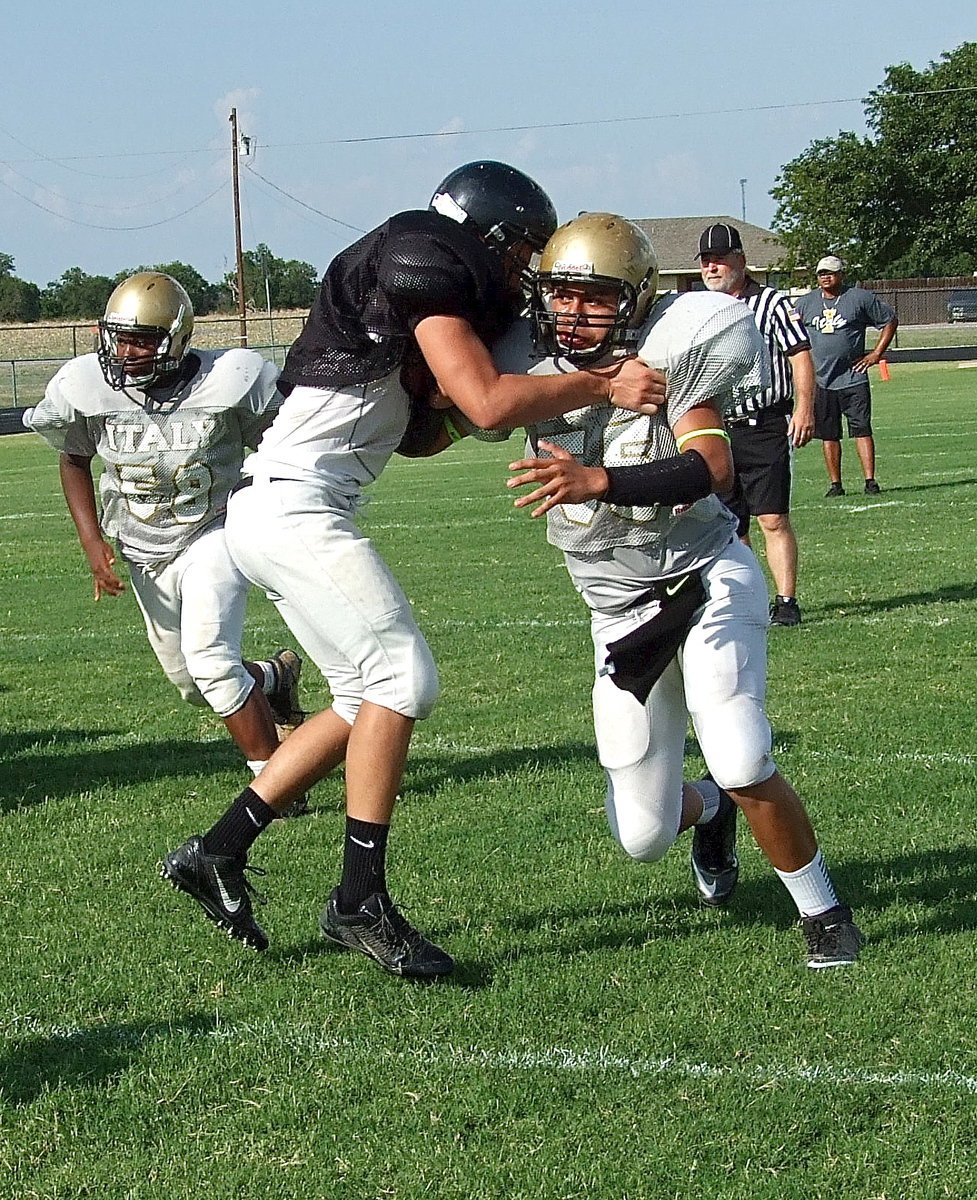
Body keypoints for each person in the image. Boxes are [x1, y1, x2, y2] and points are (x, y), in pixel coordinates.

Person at [160, 162, 664, 978]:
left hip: (271, 508)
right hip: (294, 509)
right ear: (491, 238)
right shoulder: (431, 261)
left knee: (361, 700)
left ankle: (217, 850)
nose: (523, 275)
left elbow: (429, 433)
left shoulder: (414, 285)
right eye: (523, 254)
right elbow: (494, 402)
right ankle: (359, 898)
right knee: (405, 682)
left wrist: (467, 405)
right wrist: (600, 382)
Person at [506, 213, 862, 968]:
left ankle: (822, 912)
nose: (573, 314)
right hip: (617, 611)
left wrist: (599, 478)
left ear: (634, 299)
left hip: (701, 577)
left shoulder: (673, 351)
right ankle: (711, 815)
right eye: (560, 296)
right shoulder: (525, 369)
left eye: (594, 297)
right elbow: (459, 409)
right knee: (641, 835)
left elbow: (712, 464)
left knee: (738, 753)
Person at [23, 271, 306, 790]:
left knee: (212, 664)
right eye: (120, 338)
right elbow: (73, 458)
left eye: (142, 341)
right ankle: (274, 679)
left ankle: (276, 786)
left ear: (177, 336)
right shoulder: (85, 386)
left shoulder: (232, 378)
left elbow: (284, 443)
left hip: (213, 532)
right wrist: (92, 542)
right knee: (191, 683)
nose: (127, 352)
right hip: (142, 548)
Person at [697, 223, 815, 627]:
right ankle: (748, 598)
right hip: (717, 427)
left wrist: (804, 409)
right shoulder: (697, 308)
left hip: (762, 422)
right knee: (730, 525)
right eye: (706, 262)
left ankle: (786, 601)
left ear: (741, 262)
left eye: (720, 260)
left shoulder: (772, 304)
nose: (713, 268)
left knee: (773, 517)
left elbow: (800, 355)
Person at [795, 256, 897, 496]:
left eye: (830, 273)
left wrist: (875, 354)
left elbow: (889, 320)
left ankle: (870, 481)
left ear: (841, 274)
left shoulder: (859, 298)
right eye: (821, 273)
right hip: (821, 380)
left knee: (861, 429)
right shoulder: (805, 303)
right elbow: (792, 333)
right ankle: (835, 484)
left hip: (853, 377)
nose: (825, 277)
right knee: (829, 435)